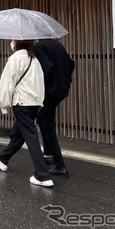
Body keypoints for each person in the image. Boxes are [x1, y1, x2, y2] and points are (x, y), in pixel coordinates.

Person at [0, 39, 54, 187]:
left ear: (18, 43)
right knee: (19, 133)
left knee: (31, 137)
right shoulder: (34, 58)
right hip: (35, 103)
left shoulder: (15, 59)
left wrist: (3, 104)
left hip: (22, 103)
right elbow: (40, 83)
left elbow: (6, 84)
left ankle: (43, 175)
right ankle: (3, 157)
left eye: (13, 40)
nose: (11, 42)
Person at [35, 39, 76, 177]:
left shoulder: (40, 46)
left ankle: (60, 164)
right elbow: (71, 63)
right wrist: (65, 80)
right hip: (61, 90)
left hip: (49, 92)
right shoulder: (58, 45)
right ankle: (48, 155)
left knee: (47, 124)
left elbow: (46, 70)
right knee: (43, 119)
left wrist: (41, 89)